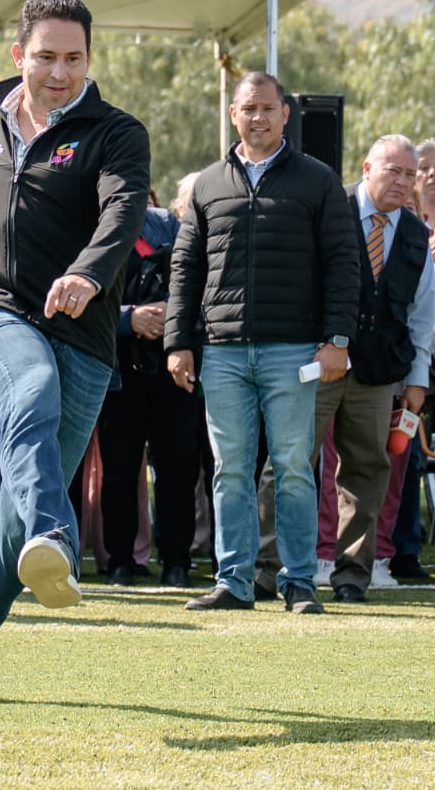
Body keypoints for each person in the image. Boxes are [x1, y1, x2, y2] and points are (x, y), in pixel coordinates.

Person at [0, 0, 151, 704]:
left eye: (74, 58)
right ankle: (62, 537)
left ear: (90, 59)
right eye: (46, 56)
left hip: (82, 332)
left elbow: (123, 211)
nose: (60, 71)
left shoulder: (116, 131)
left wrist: (88, 274)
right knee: (30, 390)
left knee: (21, 508)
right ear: (19, 54)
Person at [166, 71, 359, 614]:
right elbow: (184, 268)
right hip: (222, 353)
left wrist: (337, 339)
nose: (258, 117)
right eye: (248, 108)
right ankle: (235, 582)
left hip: (294, 351)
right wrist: (178, 341)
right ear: (234, 115)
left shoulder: (318, 180)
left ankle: (299, 583)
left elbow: (344, 265)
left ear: (285, 114)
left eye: (268, 108)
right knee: (230, 468)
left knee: (294, 467)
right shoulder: (208, 184)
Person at [255, 135, 435, 604]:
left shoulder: (417, 235)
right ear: (367, 167)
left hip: (378, 372)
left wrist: (416, 380)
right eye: (393, 171)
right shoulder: (327, 211)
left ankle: (354, 573)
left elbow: (421, 315)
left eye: (409, 175)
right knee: (288, 463)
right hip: (315, 363)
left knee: (367, 470)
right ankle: (269, 568)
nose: (402, 182)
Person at [96, 203, 203, 588]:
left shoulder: (167, 224)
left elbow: (195, 282)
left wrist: (169, 313)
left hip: (173, 363)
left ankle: (177, 561)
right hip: (116, 369)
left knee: (178, 466)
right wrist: (130, 318)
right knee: (120, 468)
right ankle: (120, 561)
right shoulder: (84, 222)